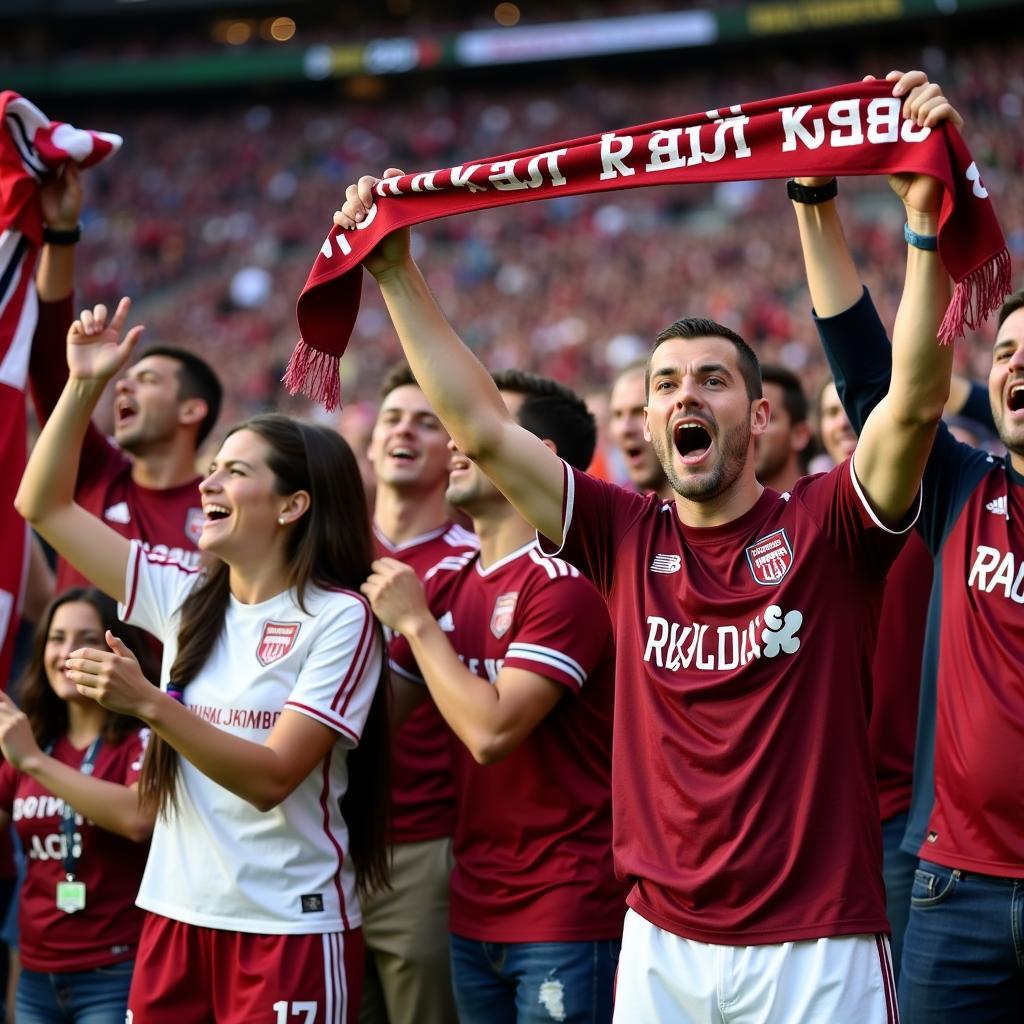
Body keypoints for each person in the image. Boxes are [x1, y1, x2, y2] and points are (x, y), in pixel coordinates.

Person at [335, 69, 954, 1022]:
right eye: (666, 384)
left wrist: (923, 228)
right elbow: (487, 429)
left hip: (817, 942)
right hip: (659, 946)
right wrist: (392, 272)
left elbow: (910, 402)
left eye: (711, 380)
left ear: (756, 416)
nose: (683, 397)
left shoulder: (827, 525)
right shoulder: (622, 535)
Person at [14, 298, 389, 1024]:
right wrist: (84, 385)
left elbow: (274, 778)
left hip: (286, 926)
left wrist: (151, 703)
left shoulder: (340, 617)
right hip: (172, 916)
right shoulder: (183, 591)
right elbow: (44, 504)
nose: (209, 484)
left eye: (235, 472)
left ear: (292, 506)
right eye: (211, 468)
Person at [801, 71, 1024, 1023]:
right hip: (956, 890)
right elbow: (871, 385)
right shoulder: (969, 490)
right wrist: (817, 208)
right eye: (1007, 353)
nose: (1017, 366)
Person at [363, 368, 622, 1024]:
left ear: (540, 458)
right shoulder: (448, 582)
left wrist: (417, 626)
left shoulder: (566, 586)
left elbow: (492, 733)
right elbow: (375, 726)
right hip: (473, 905)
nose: (456, 444)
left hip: (565, 908)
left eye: (479, 430)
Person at [30, 163, 223, 588]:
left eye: (149, 379)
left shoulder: (221, 512)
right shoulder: (94, 470)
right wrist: (61, 233)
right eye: (127, 377)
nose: (122, 383)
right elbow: (45, 360)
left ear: (191, 409)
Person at [360, 362, 476, 1024]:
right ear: (371, 443)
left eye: (426, 422)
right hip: (320, 840)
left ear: (454, 448)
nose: (404, 430)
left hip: (420, 845)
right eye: (392, 419)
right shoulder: (322, 550)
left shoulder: (471, 558)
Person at [0, 588, 155, 1024]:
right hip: (34, 972)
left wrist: (33, 761)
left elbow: (137, 817)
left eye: (86, 638)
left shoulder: (142, 736)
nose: (67, 653)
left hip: (115, 969)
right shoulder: (30, 738)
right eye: (56, 638)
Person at [607, 358, 672, 498]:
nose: (625, 429)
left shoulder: (723, 509)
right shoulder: (615, 511)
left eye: (639, 413)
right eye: (617, 414)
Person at [754, 364, 814, 493]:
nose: (751, 429)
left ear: (799, 435)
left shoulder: (830, 505)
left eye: (763, 418)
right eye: (744, 419)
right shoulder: (723, 511)